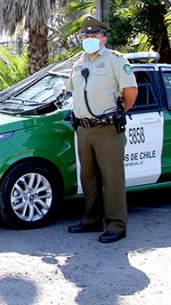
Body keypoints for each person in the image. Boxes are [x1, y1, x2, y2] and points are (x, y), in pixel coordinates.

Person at [66, 17, 138, 244]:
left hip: (107, 128)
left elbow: (130, 91)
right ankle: (91, 219)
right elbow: (71, 90)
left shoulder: (115, 60)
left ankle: (117, 225)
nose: (89, 40)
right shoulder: (78, 63)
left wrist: (117, 113)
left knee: (112, 177)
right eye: (86, 36)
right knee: (87, 176)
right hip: (84, 128)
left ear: (104, 38)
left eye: (93, 36)